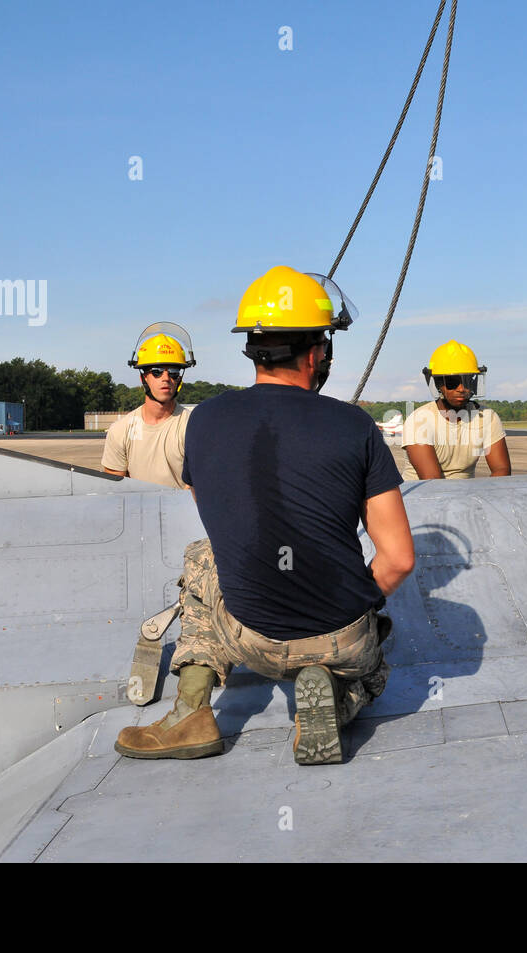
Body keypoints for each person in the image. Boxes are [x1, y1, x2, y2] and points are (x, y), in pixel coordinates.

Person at [115, 267, 415, 764]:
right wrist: (349, 605)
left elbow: (220, 522)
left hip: (251, 637)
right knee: (370, 657)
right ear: (318, 351)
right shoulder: (356, 427)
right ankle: (338, 698)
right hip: (340, 637)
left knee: (202, 558)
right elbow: (398, 559)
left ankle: (189, 712)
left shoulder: (204, 420)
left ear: (252, 348)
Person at [101, 323, 195, 489]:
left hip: (183, 513)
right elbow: (114, 492)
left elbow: (199, 486)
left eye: (173, 372)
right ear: (143, 378)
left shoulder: (193, 427)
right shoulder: (120, 431)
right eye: (157, 371)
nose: (166, 378)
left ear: (179, 379)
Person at [401, 340, 511, 480]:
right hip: (423, 498)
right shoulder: (419, 421)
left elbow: (501, 470)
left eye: (467, 381)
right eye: (453, 382)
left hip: (465, 497)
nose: (461, 389)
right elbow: (432, 481)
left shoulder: (487, 417)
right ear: (438, 384)